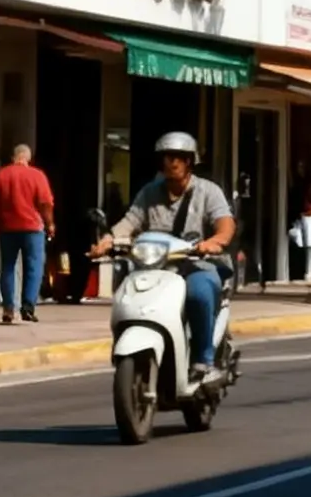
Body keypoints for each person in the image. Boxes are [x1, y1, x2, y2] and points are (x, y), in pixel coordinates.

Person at [88, 133, 235, 377]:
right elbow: (130, 221)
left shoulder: (208, 191)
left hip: (196, 264)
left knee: (198, 294)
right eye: (167, 157)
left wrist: (214, 242)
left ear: (189, 161)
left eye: (178, 157)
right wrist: (108, 240)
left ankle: (203, 358)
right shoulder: (150, 192)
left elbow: (225, 224)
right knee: (129, 292)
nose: (172, 162)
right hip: (157, 267)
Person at [0, 142, 56, 325]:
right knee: (34, 267)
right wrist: (50, 224)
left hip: (7, 228)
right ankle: (28, 308)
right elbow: (46, 204)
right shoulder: (37, 175)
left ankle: (8, 308)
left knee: (8, 266)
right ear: (28, 158)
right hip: (33, 228)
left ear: (13, 157)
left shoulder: (1, 174)